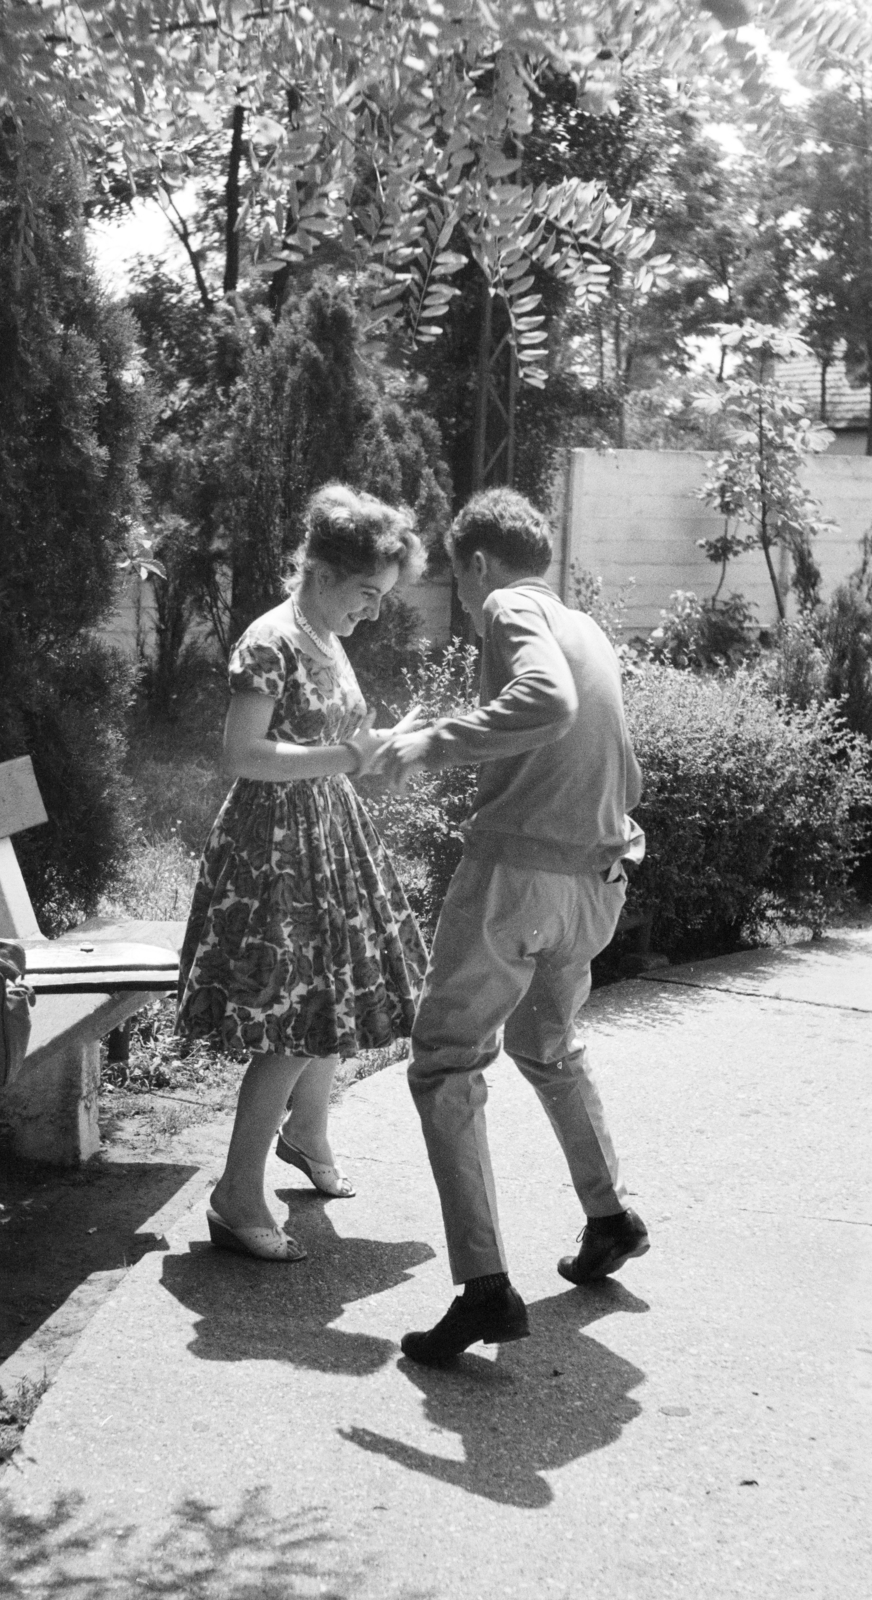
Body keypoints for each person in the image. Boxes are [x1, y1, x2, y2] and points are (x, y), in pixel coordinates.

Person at [377, 487, 648, 1363]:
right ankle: (610, 1218)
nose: (463, 604)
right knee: (549, 1047)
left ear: (479, 564)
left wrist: (434, 742)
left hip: (519, 880)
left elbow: (546, 704)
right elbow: (604, 754)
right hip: (594, 883)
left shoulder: (509, 604)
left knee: (446, 1060)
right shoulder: (585, 623)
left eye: (458, 583)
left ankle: (485, 1288)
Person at [176, 483, 430, 1263]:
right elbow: (243, 755)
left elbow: (339, 741)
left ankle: (308, 1135)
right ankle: (235, 1194)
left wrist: (386, 748)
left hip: (327, 833)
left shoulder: (325, 632)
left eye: (382, 597)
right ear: (320, 573)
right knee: (293, 1020)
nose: (374, 611)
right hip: (275, 854)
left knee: (335, 998)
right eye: (366, 593)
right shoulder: (270, 640)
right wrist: (347, 756)